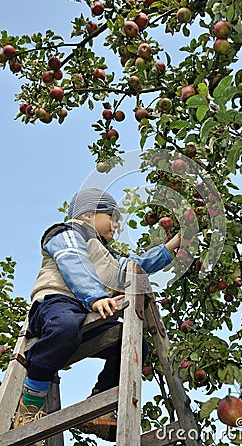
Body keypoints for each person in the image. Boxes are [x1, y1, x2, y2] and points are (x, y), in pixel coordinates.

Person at [13, 187, 182, 443]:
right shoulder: (67, 232)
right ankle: (29, 405)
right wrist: (96, 296)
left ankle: (99, 405)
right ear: (87, 215)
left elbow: (139, 265)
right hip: (55, 305)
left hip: (86, 316)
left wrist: (175, 244)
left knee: (132, 342)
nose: (115, 225)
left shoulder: (109, 256)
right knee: (65, 326)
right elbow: (74, 261)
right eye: (111, 217)